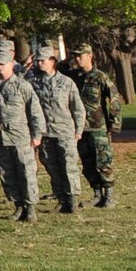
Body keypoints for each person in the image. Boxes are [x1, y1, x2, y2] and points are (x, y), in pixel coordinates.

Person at [0, 41, 44, 221]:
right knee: (7, 173)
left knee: (26, 172)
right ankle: (18, 205)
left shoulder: (23, 86)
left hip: (21, 137)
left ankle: (30, 207)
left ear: (11, 65)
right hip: (1, 138)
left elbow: (35, 112)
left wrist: (37, 134)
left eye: (2, 64)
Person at [32, 44, 87, 215]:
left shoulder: (66, 82)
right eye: (37, 60)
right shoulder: (33, 83)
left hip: (64, 131)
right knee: (52, 166)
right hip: (45, 132)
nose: (39, 63)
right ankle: (61, 198)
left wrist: (78, 129)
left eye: (43, 60)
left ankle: (72, 200)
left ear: (52, 61)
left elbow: (77, 108)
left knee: (68, 166)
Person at [70, 44, 122, 209]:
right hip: (80, 129)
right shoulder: (75, 77)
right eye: (75, 56)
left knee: (103, 161)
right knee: (87, 163)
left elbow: (114, 99)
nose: (77, 58)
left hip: (98, 127)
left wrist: (114, 123)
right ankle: (97, 194)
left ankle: (109, 196)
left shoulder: (101, 77)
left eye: (80, 55)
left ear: (90, 56)